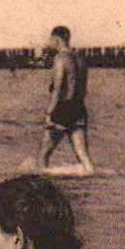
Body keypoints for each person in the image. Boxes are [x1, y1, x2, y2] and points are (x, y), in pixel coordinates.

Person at [35, 26, 93, 174]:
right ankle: (94, 183)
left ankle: (42, 188)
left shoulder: (60, 59)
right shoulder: (81, 59)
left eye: (51, 39)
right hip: (79, 108)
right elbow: (83, 89)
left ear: (56, 39)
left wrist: (49, 113)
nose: (49, 42)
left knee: (43, 155)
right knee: (83, 156)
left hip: (63, 108)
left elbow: (58, 89)